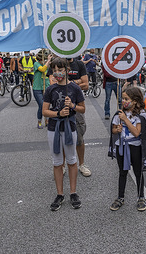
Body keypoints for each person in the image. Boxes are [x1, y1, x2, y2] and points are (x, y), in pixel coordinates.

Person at [43, 58, 85, 211]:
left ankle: (73, 192)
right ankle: (60, 194)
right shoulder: (50, 89)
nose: (57, 73)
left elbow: (82, 108)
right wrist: (58, 113)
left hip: (70, 127)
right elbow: (45, 111)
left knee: (72, 160)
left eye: (60, 70)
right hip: (54, 129)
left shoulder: (74, 88)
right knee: (57, 161)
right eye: (54, 70)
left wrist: (73, 105)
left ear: (67, 69)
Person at [109, 86, 146, 211]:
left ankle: (141, 197)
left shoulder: (140, 114)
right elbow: (113, 130)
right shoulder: (119, 113)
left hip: (135, 146)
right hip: (122, 145)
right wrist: (117, 129)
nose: (123, 101)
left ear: (135, 101)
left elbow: (137, 133)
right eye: (122, 98)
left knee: (138, 172)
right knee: (122, 172)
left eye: (126, 99)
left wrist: (126, 120)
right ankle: (120, 197)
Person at [33, 52, 52, 129]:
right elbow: (43, 69)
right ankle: (39, 121)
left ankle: (47, 120)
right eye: (43, 60)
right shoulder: (36, 64)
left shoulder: (48, 65)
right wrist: (48, 61)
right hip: (37, 88)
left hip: (46, 87)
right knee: (41, 105)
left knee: (47, 105)